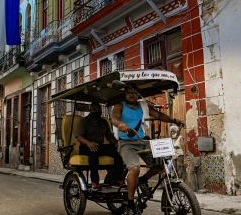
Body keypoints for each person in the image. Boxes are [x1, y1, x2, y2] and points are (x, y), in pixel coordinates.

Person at [112, 84, 184, 215]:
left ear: (138, 94)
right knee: (134, 168)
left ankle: (143, 180)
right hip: (126, 142)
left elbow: (158, 115)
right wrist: (121, 125)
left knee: (163, 163)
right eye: (129, 92)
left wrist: (174, 120)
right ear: (125, 94)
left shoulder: (143, 106)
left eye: (134, 92)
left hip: (142, 140)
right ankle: (130, 203)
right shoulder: (120, 105)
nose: (131, 94)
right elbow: (114, 118)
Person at [76, 102, 123, 191]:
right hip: (86, 147)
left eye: (98, 109)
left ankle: (116, 179)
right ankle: (95, 182)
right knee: (93, 153)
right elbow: (79, 137)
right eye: (94, 109)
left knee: (117, 152)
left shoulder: (103, 122)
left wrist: (116, 142)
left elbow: (109, 136)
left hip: (99, 146)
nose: (97, 111)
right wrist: (89, 143)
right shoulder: (84, 121)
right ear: (90, 110)